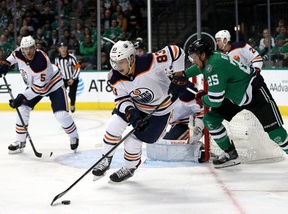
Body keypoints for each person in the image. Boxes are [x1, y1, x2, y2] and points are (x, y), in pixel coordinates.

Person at [92, 40, 187, 182]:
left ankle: (130, 168)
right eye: (115, 62)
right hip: (136, 105)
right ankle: (105, 159)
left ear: (131, 58)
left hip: (161, 110)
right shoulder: (115, 77)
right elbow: (121, 99)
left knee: (132, 141)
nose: (118, 66)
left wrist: (179, 75)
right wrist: (132, 114)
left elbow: (176, 52)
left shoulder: (148, 62)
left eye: (121, 62)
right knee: (114, 125)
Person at [187, 38, 288, 168]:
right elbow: (198, 69)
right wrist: (183, 74)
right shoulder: (212, 59)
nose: (193, 60)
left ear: (203, 55)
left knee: (275, 132)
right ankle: (230, 153)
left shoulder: (214, 66)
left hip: (255, 92)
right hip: (235, 96)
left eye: (194, 57)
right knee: (211, 120)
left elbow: (215, 101)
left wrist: (202, 99)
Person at [0, 35, 79, 153]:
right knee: (22, 108)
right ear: (22, 49)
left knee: (61, 115)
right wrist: (5, 65)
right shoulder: (19, 52)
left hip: (53, 85)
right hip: (36, 85)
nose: (28, 51)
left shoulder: (41, 62)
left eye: (31, 48)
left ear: (35, 47)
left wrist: (21, 97)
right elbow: (12, 57)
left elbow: (39, 89)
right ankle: (20, 140)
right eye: (25, 49)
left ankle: (74, 136)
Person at [54, 42, 81, 113]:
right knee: (61, 94)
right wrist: (59, 79)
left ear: (66, 48)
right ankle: (63, 108)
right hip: (63, 79)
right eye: (61, 48)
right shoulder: (57, 59)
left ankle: (72, 104)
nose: (62, 49)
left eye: (64, 47)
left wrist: (73, 78)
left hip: (73, 78)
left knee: (72, 94)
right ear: (58, 49)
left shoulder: (72, 57)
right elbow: (57, 69)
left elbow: (77, 68)